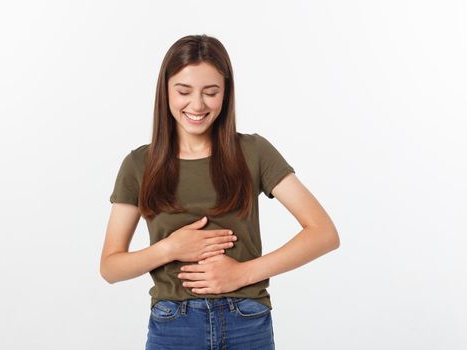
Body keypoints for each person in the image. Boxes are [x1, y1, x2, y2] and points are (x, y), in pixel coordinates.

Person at [100, 34, 340, 350]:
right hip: (174, 324)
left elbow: (324, 233)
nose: (197, 105)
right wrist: (170, 248)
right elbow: (110, 267)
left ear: (226, 94)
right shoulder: (139, 164)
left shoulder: (254, 152)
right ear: (166, 92)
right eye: (184, 91)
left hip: (247, 320)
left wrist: (241, 274)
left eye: (210, 92)